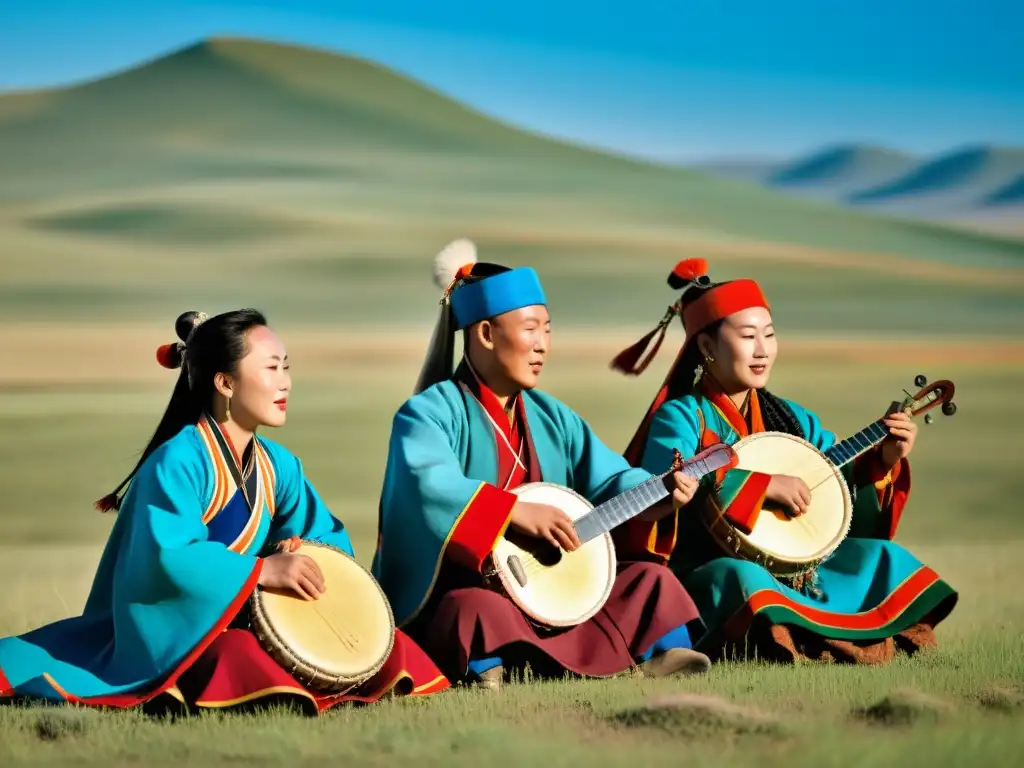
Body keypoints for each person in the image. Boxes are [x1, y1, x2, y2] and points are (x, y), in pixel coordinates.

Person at [0, 309, 448, 714]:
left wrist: (300, 549)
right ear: (225, 383)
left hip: (248, 616)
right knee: (237, 657)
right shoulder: (176, 462)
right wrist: (261, 572)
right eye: (271, 369)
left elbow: (326, 535)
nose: (285, 382)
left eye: (287, 368)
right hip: (182, 629)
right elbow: (167, 559)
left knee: (390, 651)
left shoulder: (279, 466)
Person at [371, 239, 711, 691]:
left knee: (650, 580)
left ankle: (663, 649)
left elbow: (609, 478)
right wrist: (511, 510)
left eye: (547, 330)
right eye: (530, 329)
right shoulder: (429, 412)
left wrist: (659, 489)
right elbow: (428, 486)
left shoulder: (552, 416)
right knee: (471, 610)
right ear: (486, 335)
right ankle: (489, 665)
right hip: (484, 587)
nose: (542, 346)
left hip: (557, 585)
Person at [609, 258, 958, 664]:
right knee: (745, 578)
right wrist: (762, 485)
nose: (762, 350)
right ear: (706, 347)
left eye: (769, 335)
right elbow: (660, 487)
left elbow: (838, 486)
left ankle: (824, 639)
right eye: (747, 336)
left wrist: (881, 462)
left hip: (801, 571)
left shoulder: (791, 419)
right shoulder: (682, 416)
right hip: (708, 565)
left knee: (884, 557)